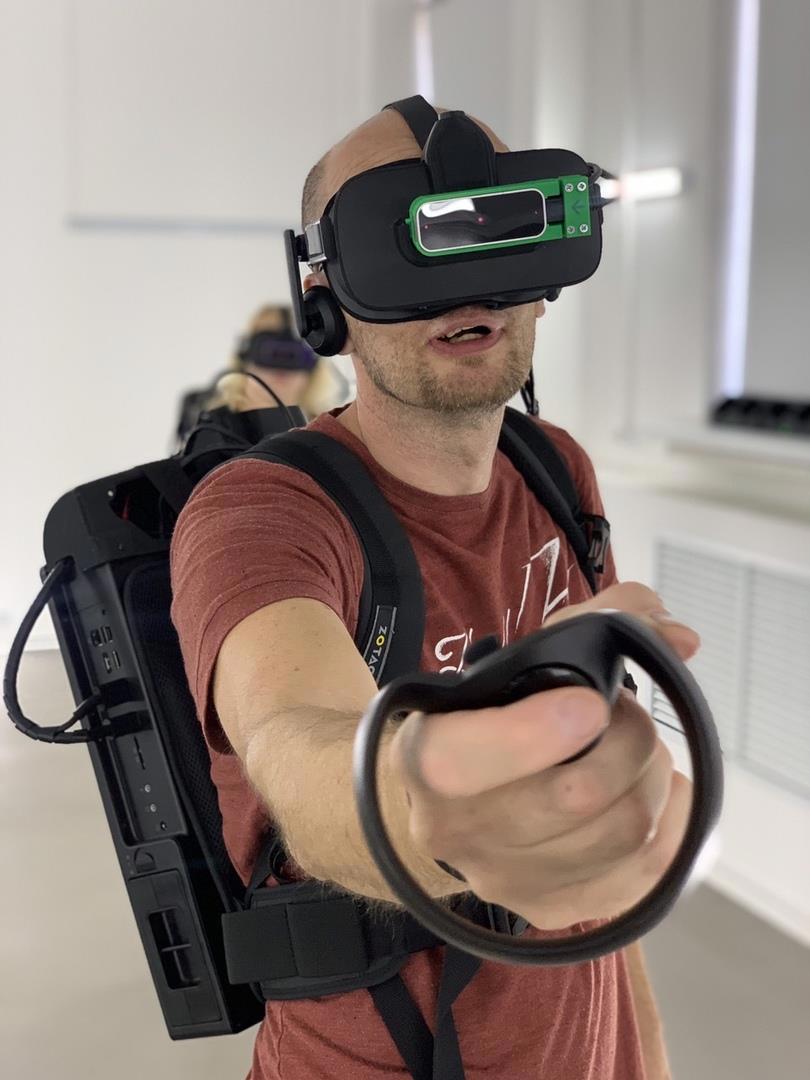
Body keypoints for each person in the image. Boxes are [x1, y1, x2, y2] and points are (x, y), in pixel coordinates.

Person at [170, 104, 700, 1079]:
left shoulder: (556, 470)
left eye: (495, 228)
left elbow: (599, 876)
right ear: (326, 301)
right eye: (410, 244)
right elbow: (293, 734)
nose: (465, 285)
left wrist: (646, 1059)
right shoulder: (260, 510)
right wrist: (429, 805)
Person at [173, 303, 345, 448]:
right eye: (272, 353)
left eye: (294, 355)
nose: (281, 369)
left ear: (314, 366)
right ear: (246, 354)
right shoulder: (210, 424)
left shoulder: (326, 434)